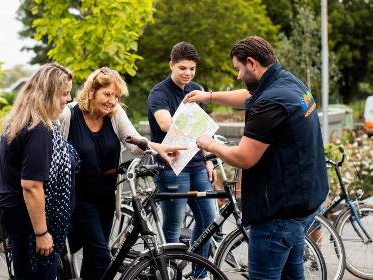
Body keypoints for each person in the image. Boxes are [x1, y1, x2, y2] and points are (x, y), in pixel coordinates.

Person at [184, 36, 329, 279]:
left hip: (277, 214)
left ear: (252, 63)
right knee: (292, 276)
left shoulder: (270, 103)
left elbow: (243, 157)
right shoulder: (289, 84)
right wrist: (208, 96)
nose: (238, 75)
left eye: (238, 69)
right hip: (302, 204)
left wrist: (208, 143)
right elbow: (249, 96)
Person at [58, 67, 186, 280]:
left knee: (93, 258)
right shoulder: (68, 115)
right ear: (91, 92)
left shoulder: (115, 115)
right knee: (101, 255)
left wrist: (158, 148)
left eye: (116, 96)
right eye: (107, 94)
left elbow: (134, 143)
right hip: (77, 199)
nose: (112, 101)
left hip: (106, 198)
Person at [0, 63, 78, 279]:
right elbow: (31, 186)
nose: (68, 99)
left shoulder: (22, 121)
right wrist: (41, 233)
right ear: (49, 94)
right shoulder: (39, 130)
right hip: (29, 221)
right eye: (64, 94)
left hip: (16, 213)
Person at [147, 41, 217, 279]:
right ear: (171, 65)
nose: (188, 73)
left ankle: (199, 274)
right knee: (173, 226)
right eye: (183, 68)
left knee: (208, 220)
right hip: (171, 168)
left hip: (197, 165)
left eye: (192, 68)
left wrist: (208, 159)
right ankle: (169, 274)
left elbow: (205, 130)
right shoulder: (159, 93)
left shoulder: (195, 89)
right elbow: (165, 125)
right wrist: (195, 123)